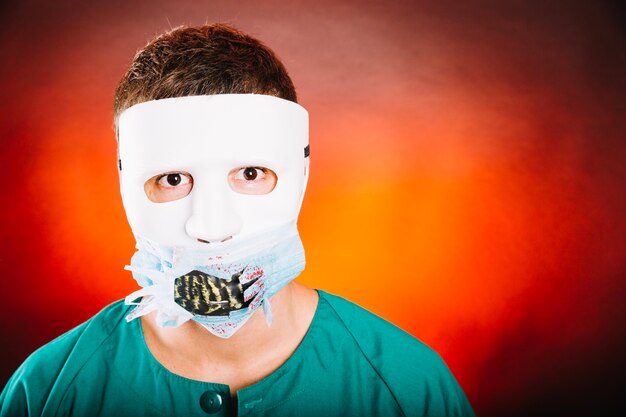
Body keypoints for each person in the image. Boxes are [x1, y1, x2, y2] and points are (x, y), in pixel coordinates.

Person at [0, 24, 475, 417]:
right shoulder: (46, 394)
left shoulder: (410, 389)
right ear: (125, 180)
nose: (211, 227)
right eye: (171, 179)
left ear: (302, 171)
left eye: (251, 174)